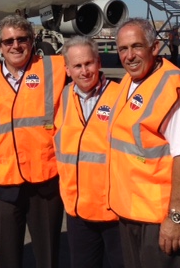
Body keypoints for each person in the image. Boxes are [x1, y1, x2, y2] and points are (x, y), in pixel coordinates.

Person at [108, 18, 180, 268]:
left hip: (160, 215)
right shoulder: (129, 81)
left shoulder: (173, 88)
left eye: (136, 46)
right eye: (123, 49)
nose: (129, 56)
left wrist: (175, 218)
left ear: (154, 47)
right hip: (133, 209)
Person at [0, 14, 66, 268]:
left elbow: (88, 67)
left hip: (45, 179)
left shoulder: (55, 67)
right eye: (8, 41)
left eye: (22, 39)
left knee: (47, 256)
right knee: (7, 257)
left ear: (32, 41)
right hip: (6, 179)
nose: (16, 45)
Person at [54, 36, 124, 268]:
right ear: (67, 69)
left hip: (115, 210)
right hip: (79, 210)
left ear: (98, 62)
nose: (84, 71)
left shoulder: (120, 94)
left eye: (88, 63)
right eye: (77, 66)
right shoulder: (63, 97)